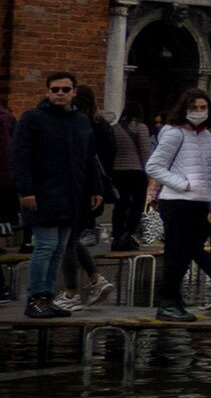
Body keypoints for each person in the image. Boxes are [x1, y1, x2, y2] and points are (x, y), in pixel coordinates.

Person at [12, 72, 106, 318]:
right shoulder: (33, 119)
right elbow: (20, 158)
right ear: (47, 92)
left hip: (72, 195)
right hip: (43, 193)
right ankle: (35, 297)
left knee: (60, 248)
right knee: (45, 246)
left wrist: (96, 188)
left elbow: (90, 158)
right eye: (55, 89)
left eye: (65, 89)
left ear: (74, 92)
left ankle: (47, 298)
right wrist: (26, 190)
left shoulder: (81, 121)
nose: (60, 94)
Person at [144, 88, 211, 321]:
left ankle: (176, 298)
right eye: (194, 108)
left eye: (203, 108)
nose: (199, 112)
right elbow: (154, 166)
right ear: (184, 109)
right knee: (176, 253)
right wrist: (182, 184)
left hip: (200, 203)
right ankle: (168, 302)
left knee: (188, 252)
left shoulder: (207, 138)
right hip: (178, 201)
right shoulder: (174, 133)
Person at [108, 104, 152, 256]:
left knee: (120, 205)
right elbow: (145, 151)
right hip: (136, 171)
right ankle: (128, 235)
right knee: (137, 206)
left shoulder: (115, 128)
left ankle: (117, 235)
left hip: (117, 172)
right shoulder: (141, 128)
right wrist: (150, 173)